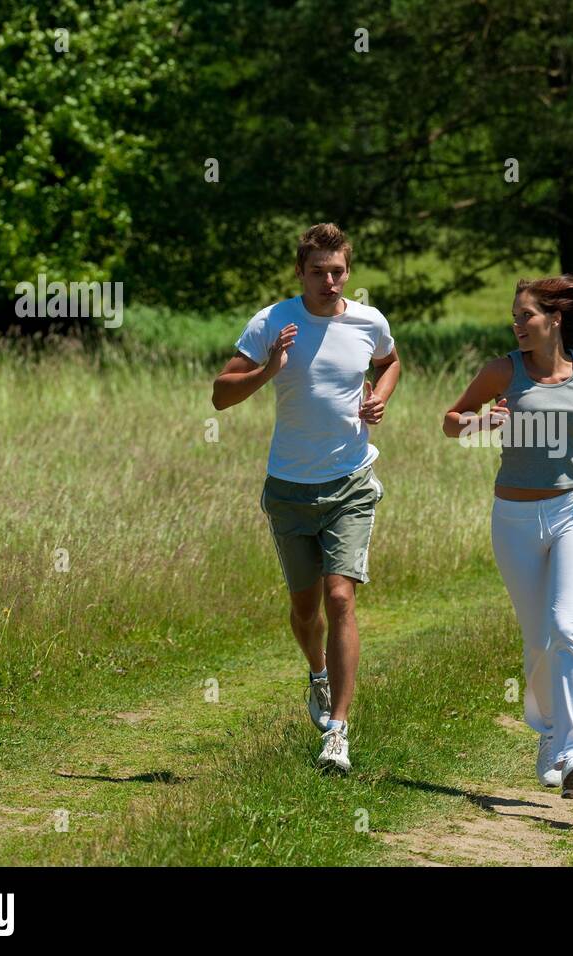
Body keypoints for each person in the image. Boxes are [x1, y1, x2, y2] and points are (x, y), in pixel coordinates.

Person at [212, 222, 400, 773]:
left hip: (351, 482)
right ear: (301, 272)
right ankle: (316, 673)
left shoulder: (369, 321)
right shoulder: (273, 321)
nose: (330, 281)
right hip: (290, 487)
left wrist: (379, 399)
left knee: (341, 596)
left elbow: (389, 361)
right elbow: (221, 394)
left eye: (338, 271)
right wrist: (269, 370)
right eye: (318, 271)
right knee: (305, 609)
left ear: (349, 271)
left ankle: (337, 732)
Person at [442, 275, 573, 798]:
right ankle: (547, 736)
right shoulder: (503, 370)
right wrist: (480, 423)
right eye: (515, 317)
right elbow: (451, 422)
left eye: (527, 316)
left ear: (555, 319)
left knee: (567, 625)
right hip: (515, 518)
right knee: (538, 637)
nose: (517, 324)